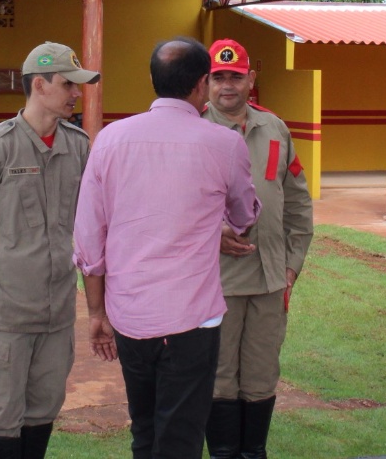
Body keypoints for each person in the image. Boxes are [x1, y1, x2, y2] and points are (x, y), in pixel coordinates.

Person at [72, 36, 260, 459]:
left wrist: (96, 313)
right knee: (180, 439)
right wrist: (219, 223)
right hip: (192, 319)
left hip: (129, 315)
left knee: (144, 430)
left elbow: (89, 239)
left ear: (153, 79)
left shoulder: (110, 139)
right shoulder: (224, 143)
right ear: (201, 83)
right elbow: (244, 215)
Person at [0, 41, 101, 459]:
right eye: (68, 84)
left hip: (56, 311)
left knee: (43, 408)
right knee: (1, 414)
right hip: (6, 311)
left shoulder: (78, 145)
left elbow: (90, 218)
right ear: (39, 85)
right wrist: (5, 265)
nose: (76, 94)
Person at [200, 39, 313, 459]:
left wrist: (292, 265)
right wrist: (211, 233)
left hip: (269, 279)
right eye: (218, 77)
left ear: (251, 78)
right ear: (206, 82)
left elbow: (297, 202)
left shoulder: (274, 129)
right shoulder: (195, 130)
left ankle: (254, 453)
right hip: (216, 281)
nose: (227, 85)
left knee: (262, 375)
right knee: (219, 376)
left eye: (235, 76)